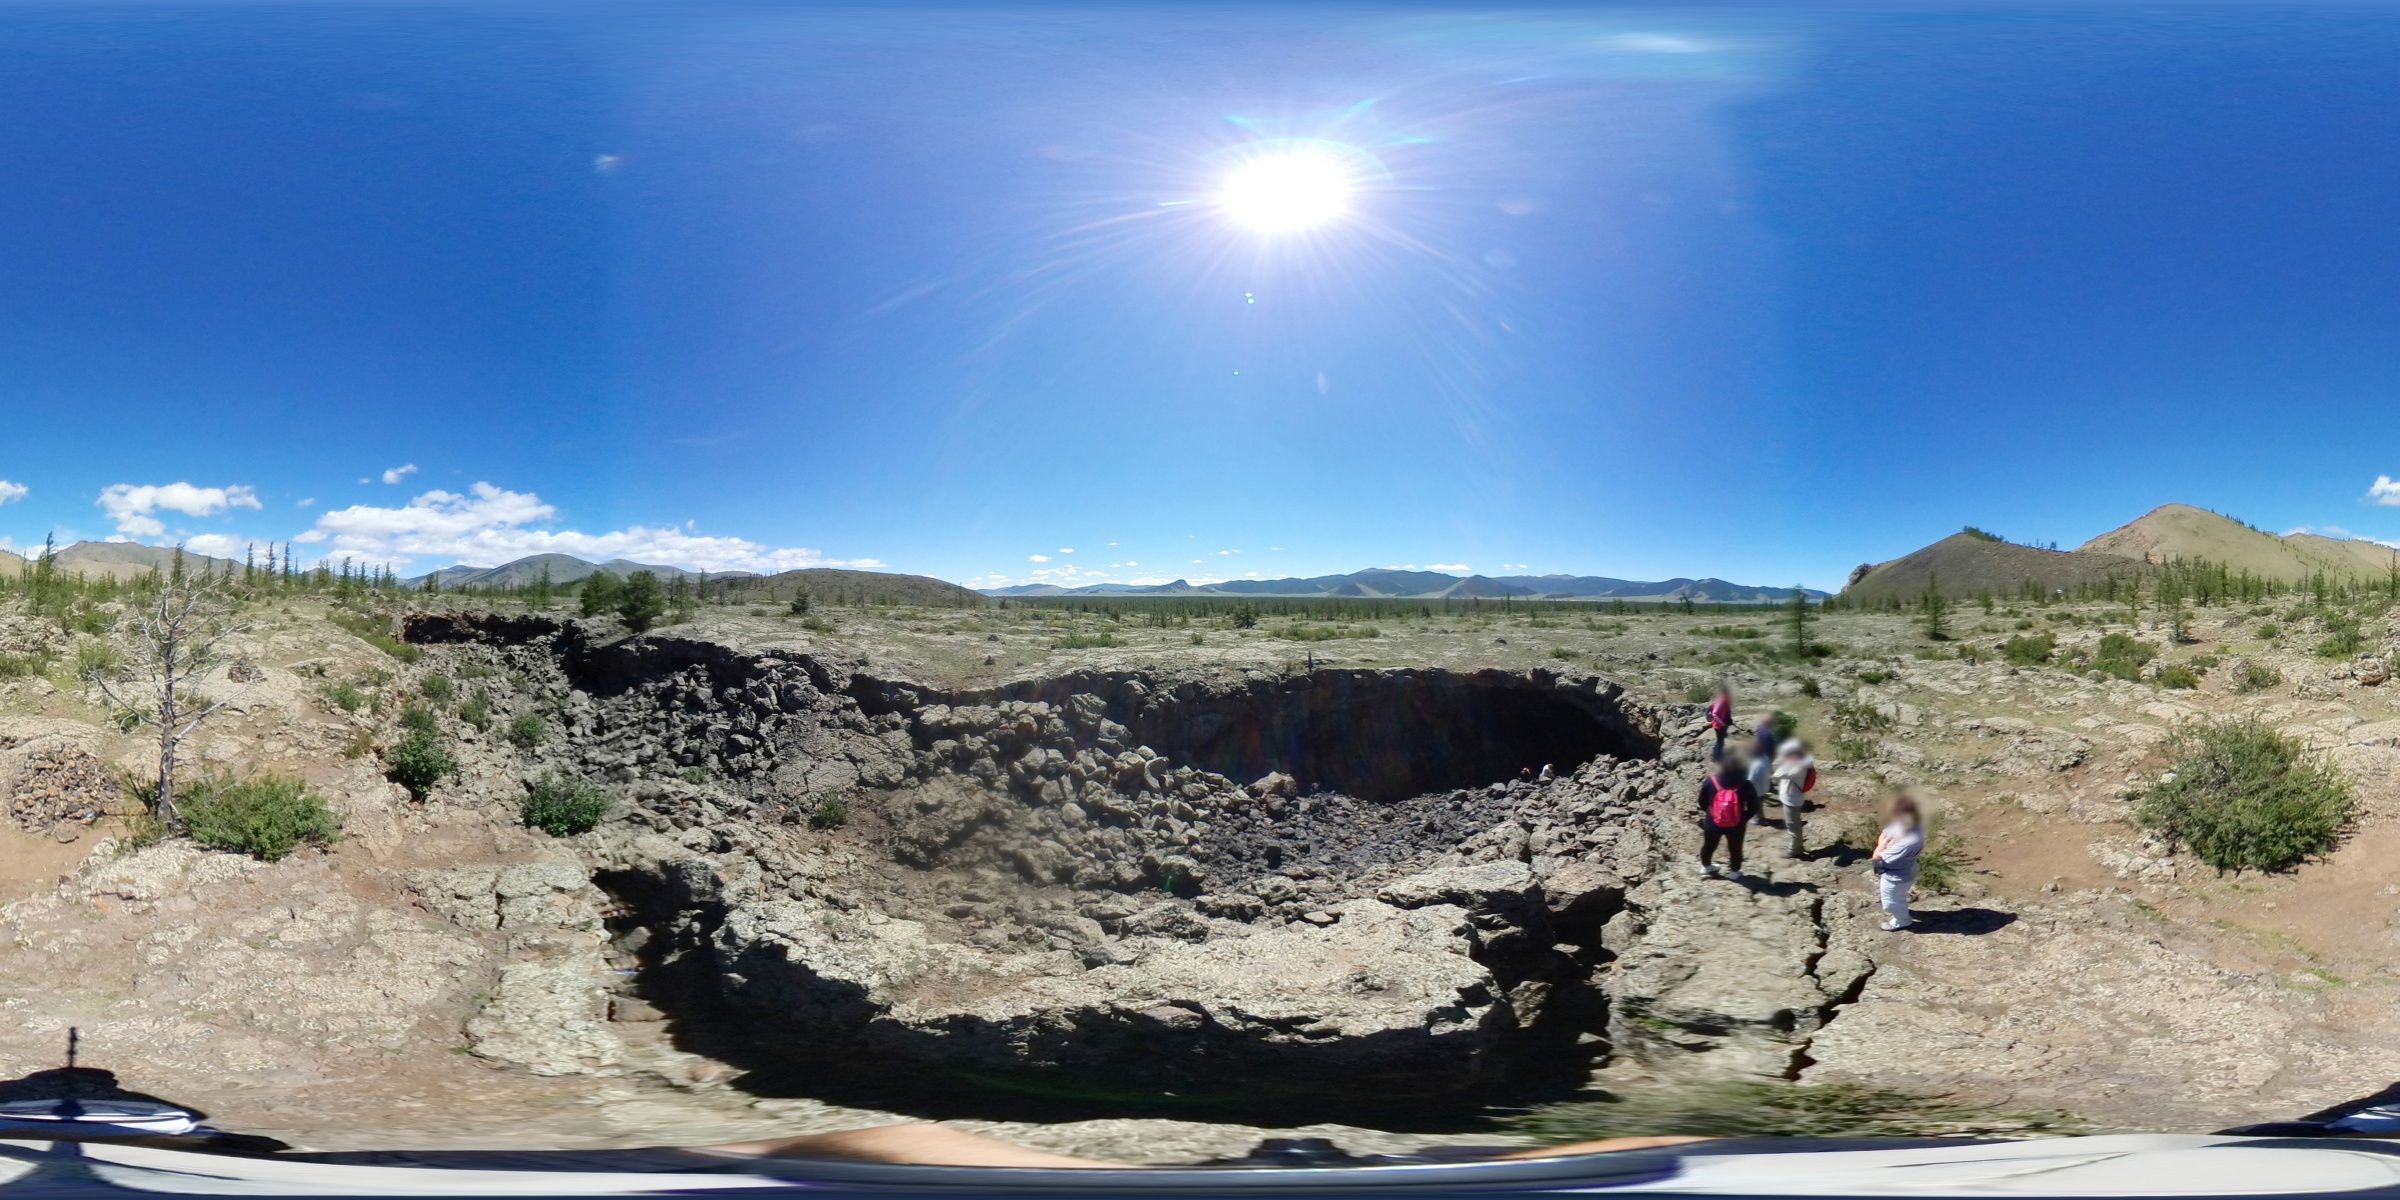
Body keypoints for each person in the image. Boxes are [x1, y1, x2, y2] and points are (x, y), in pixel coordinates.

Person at [1695, 756, 1759, 881]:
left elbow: (1702, 800)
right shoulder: (1745, 784)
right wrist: (1744, 818)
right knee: (1735, 847)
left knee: (1709, 845)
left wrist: (1710, 812)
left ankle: (1706, 867)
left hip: (1713, 822)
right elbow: (1754, 806)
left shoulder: (1711, 781)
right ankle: (1734, 872)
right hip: (1736, 824)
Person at [1870, 795, 1925, 931]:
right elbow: (1883, 835)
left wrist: (1881, 845)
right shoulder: (1902, 824)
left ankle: (1902, 920)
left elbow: (1877, 857)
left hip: (1897, 877)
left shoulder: (1910, 840)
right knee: (1894, 896)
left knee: (1890, 904)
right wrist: (1883, 844)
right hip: (1895, 870)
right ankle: (1900, 898)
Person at [1769, 737, 1816, 856]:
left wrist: (1785, 759)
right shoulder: (1802, 762)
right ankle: (1797, 845)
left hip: (1791, 800)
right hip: (1793, 797)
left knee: (1793, 825)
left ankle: (1795, 850)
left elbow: (1777, 773)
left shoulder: (1797, 768)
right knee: (1794, 824)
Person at [1746, 718, 1779, 826]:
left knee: (1755, 804)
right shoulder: (1765, 759)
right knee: (1760, 803)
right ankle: (1762, 817)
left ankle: (1757, 819)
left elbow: (1751, 780)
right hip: (1764, 787)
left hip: (1756, 790)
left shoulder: (1756, 765)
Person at [1705, 687, 1733, 760]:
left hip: (1721, 724)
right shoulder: (1721, 700)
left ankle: (1715, 755)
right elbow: (1714, 713)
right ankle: (1717, 758)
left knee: (1720, 741)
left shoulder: (1724, 700)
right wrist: (1722, 723)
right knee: (1720, 742)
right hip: (1719, 725)